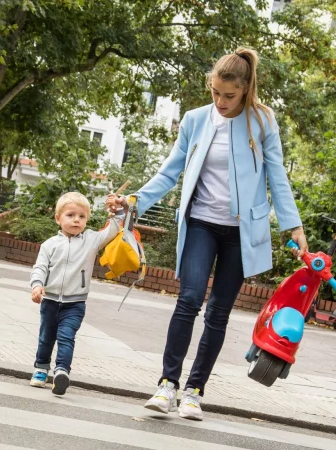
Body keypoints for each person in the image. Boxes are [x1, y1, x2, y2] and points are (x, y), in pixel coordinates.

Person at [108, 47, 308, 421]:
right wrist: (133, 201)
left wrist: (293, 225)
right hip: (200, 223)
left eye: (229, 96)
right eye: (215, 92)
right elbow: (170, 172)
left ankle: (194, 392)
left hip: (240, 232)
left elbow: (277, 177)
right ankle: (167, 385)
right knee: (189, 299)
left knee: (218, 313)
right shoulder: (195, 120)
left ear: (246, 90)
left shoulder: (262, 122)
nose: (220, 101)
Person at [29, 192, 125, 395]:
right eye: (70, 215)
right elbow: (40, 268)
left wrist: (116, 211)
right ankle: (41, 368)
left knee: (66, 336)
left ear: (86, 220)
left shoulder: (91, 240)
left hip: (75, 303)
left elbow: (113, 230)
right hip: (50, 300)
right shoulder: (49, 245)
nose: (76, 220)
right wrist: (37, 285)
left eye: (81, 216)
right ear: (58, 218)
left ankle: (62, 371)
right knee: (46, 337)